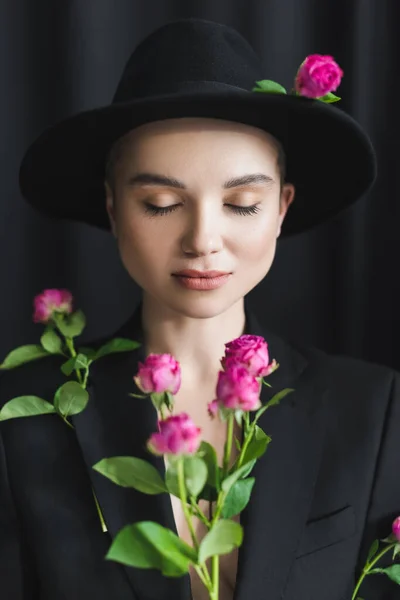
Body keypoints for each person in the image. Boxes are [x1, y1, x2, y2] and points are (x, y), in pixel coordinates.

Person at [0, 17, 399, 600]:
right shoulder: (26, 423)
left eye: (241, 203)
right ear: (113, 207)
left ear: (282, 207)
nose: (203, 239)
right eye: (161, 203)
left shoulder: (375, 411)